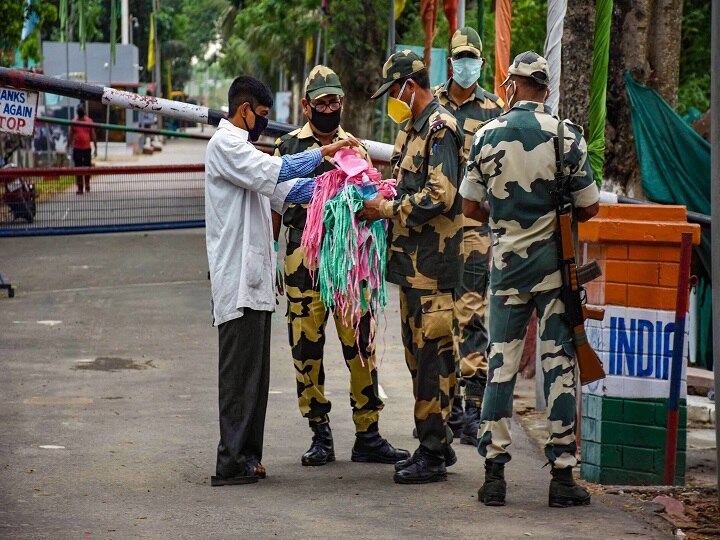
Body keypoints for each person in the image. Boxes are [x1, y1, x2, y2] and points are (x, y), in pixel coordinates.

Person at [460, 51, 600, 507]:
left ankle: (494, 476)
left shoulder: (486, 136)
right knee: (559, 367)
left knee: (499, 365)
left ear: (515, 85)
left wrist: (506, 217)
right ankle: (562, 479)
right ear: (545, 87)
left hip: (505, 271)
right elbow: (590, 206)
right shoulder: (568, 138)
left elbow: (470, 208)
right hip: (554, 273)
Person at [205, 75, 357, 486]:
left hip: (254, 281)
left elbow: (290, 190)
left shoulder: (247, 155)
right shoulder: (227, 146)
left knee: (255, 377)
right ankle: (230, 462)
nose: (263, 123)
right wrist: (324, 153)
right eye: (262, 116)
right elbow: (281, 168)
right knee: (238, 376)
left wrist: (348, 186)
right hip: (235, 279)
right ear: (245, 110)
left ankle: (248, 455)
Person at [273, 65, 409, 468]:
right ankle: (319, 433)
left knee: (361, 347)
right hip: (302, 260)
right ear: (306, 105)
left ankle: (368, 434)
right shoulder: (288, 148)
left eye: (335, 102)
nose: (329, 108)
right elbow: (274, 204)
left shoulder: (356, 147)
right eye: (322, 103)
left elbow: (369, 200)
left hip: (349, 262)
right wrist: (271, 258)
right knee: (305, 349)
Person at [359, 50, 465, 484]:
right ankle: (436, 442)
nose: (392, 99)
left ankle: (433, 453)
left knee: (433, 359)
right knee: (417, 356)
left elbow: (440, 195)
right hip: (411, 268)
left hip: (434, 267)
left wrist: (385, 208)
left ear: (410, 85)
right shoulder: (411, 130)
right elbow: (406, 184)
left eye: (394, 90)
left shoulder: (441, 129)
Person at [435, 26, 505, 447]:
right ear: (451, 62)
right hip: (438, 231)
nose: (465, 64)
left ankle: (475, 404)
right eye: (459, 57)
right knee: (442, 315)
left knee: (473, 314)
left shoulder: (495, 109)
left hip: (477, 228)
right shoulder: (432, 107)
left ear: (480, 61)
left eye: (471, 58)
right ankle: (451, 406)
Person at [67, 104, 97, 194]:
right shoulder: (74, 122)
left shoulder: (89, 121)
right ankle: (80, 187)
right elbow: (70, 135)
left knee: (87, 168)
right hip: (77, 149)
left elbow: (93, 134)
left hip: (87, 149)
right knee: (78, 169)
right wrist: (67, 147)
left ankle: (87, 184)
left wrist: (96, 147)